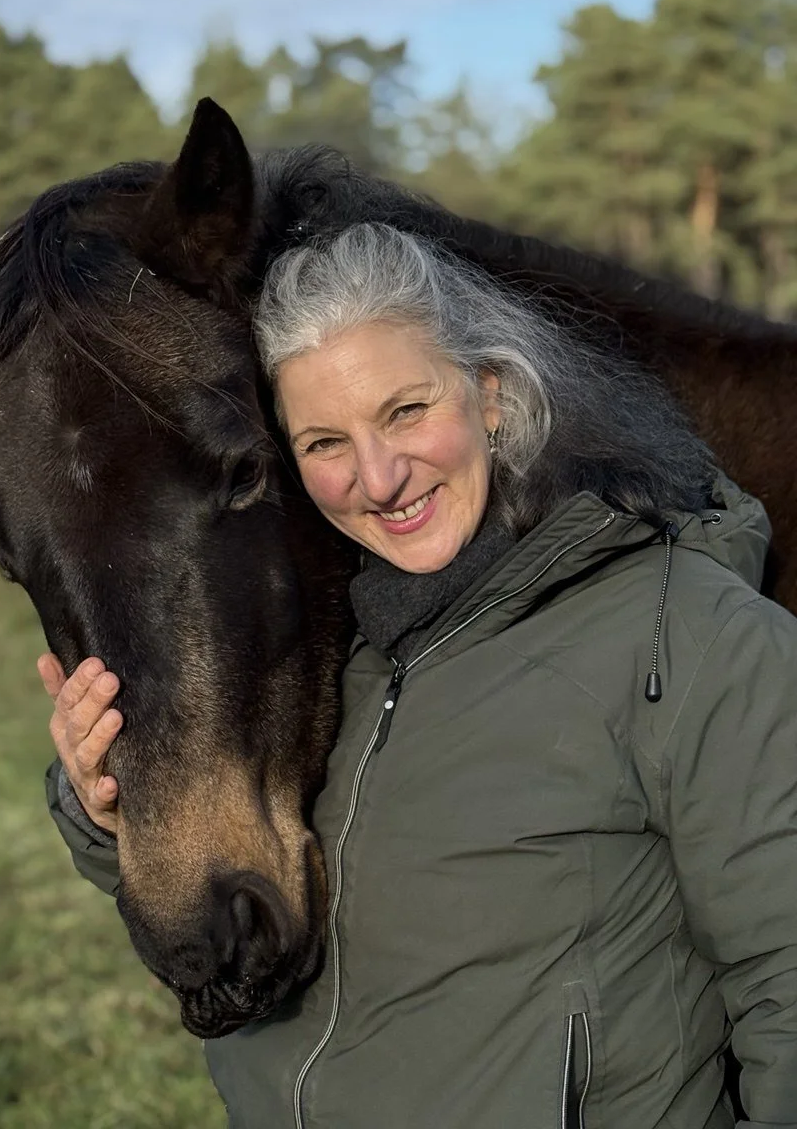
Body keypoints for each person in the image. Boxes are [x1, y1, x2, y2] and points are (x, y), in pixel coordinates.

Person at [41, 223, 797, 1128]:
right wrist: (109, 806)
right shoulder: (331, 648)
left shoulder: (686, 634)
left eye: (407, 412)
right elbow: (239, 869)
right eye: (324, 442)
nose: (379, 477)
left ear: (494, 394)